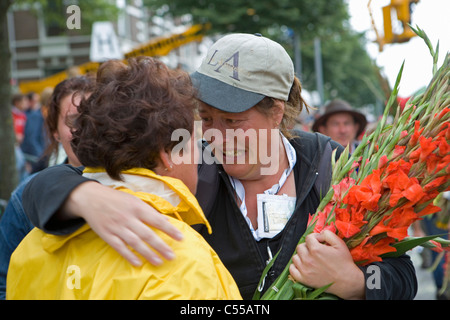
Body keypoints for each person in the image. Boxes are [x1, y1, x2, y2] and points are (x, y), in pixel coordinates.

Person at [21, 33, 417, 300]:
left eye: (232, 122)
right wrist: (84, 196)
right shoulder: (189, 166)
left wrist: (355, 283)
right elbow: (41, 189)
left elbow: (403, 276)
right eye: (206, 118)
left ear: (276, 112)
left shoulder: (336, 167)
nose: (214, 136)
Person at [7, 57, 241, 300]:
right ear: (167, 154)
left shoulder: (31, 247)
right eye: (193, 143)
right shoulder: (179, 258)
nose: (203, 153)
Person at [0, 76, 94, 300]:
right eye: (73, 121)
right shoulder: (23, 199)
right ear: (55, 132)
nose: (84, 129)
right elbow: (4, 285)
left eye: (93, 119)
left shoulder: (130, 186)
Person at [20, 91, 47, 173]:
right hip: (37, 158)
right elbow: (32, 138)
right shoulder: (35, 116)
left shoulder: (33, 115)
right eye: (35, 101)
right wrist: (41, 156)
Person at [11, 93, 29, 181]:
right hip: (12, 146)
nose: (26, 103)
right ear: (17, 103)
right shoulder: (10, 114)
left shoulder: (23, 115)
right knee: (20, 164)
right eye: (24, 101)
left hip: (18, 146)